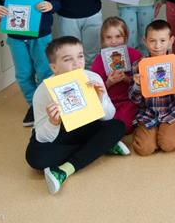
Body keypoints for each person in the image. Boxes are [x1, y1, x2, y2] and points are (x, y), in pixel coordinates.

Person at [25, 36, 128, 195]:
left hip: (88, 127)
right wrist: (53, 122)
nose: (77, 63)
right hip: (61, 134)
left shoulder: (92, 78)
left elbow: (109, 116)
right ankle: (99, 147)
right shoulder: (42, 92)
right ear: (54, 67)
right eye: (68, 59)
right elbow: (42, 137)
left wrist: (100, 101)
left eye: (80, 56)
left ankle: (65, 170)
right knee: (35, 158)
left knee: (118, 126)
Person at [129, 20, 175, 156]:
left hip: (170, 112)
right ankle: (145, 131)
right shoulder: (138, 66)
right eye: (152, 41)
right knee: (144, 149)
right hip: (147, 113)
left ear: (171, 41)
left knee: (168, 144)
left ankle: (163, 132)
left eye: (162, 41)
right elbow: (134, 99)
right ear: (145, 41)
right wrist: (138, 85)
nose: (157, 46)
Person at [90, 17, 142, 134]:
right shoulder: (99, 60)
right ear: (103, 39)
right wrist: (109, 83)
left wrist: (126, 79)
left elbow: (143, 83)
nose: (114, 41)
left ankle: (132, 122)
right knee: (98, 122)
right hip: (108, 100)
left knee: (122, 125)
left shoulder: (135, 55)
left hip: (129, 100)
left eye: (118, 36)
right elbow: (94, 90)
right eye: (108, 37)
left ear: (125, 37)